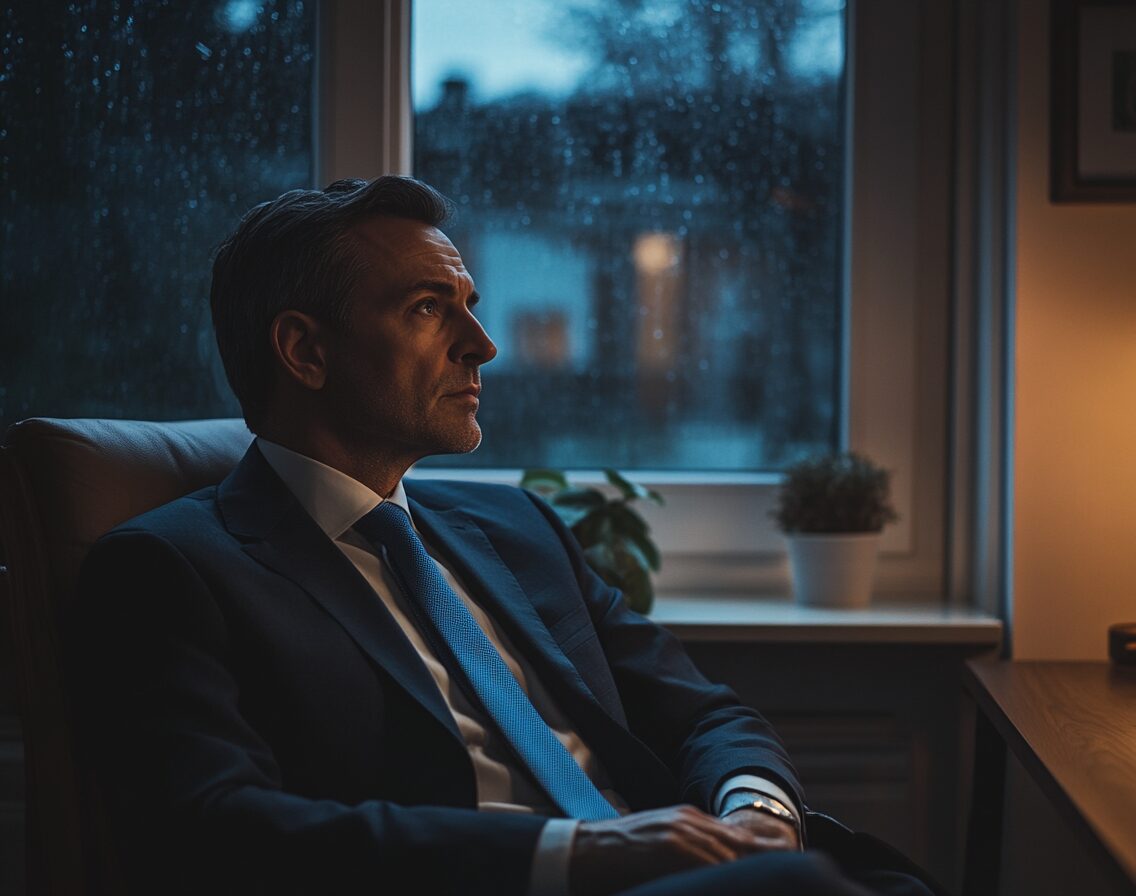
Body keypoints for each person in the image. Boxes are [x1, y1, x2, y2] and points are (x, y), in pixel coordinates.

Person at [74, 176, 936, 895]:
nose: (482, 346)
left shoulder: (515, 526)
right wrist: (578, 856)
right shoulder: (171, 568)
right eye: (427, 309)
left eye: (469, 308)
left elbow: (705, 713)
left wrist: (758, 812)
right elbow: (219, 826)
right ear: (305, 351)